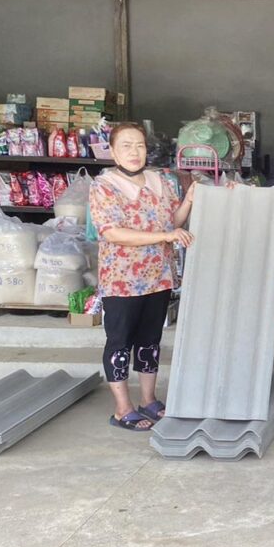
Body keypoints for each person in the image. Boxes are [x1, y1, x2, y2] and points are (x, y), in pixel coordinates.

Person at [89, 123, 195, 431]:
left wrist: (189, 200)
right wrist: (165, 235)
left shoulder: (159, 180)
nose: (134, 152)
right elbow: (112, 232)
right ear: (112, 151)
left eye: (139, 145)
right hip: (122, 280)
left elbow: (172, 222)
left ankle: (149, 400)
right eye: (126, 146)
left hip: (158, 276)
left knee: (150, 341)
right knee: (120, 342)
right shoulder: (105, 185)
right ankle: (122, 409)